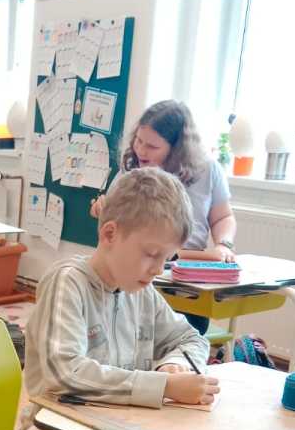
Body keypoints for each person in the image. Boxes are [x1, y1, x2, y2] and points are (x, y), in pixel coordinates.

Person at [23, 166, 217, 430]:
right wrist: (163, 387)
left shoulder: (140, 292)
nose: (157, 268)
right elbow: (65, 371)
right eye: (150, 254)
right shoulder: (68, 283)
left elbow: (189, 338)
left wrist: (172, 367)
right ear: (110, 233)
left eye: (166, 259)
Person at [91, 100, 237, 333]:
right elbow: (114, 219)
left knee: (181, 334)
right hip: (137, 270)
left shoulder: (208, 170)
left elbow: (223, 217)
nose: (141, 150)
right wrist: (104, 208)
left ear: (176, 149)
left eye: (152, 146)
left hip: (185, 280)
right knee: (128, 330)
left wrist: (223, 244)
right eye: (139, 140)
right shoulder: (132, 170)